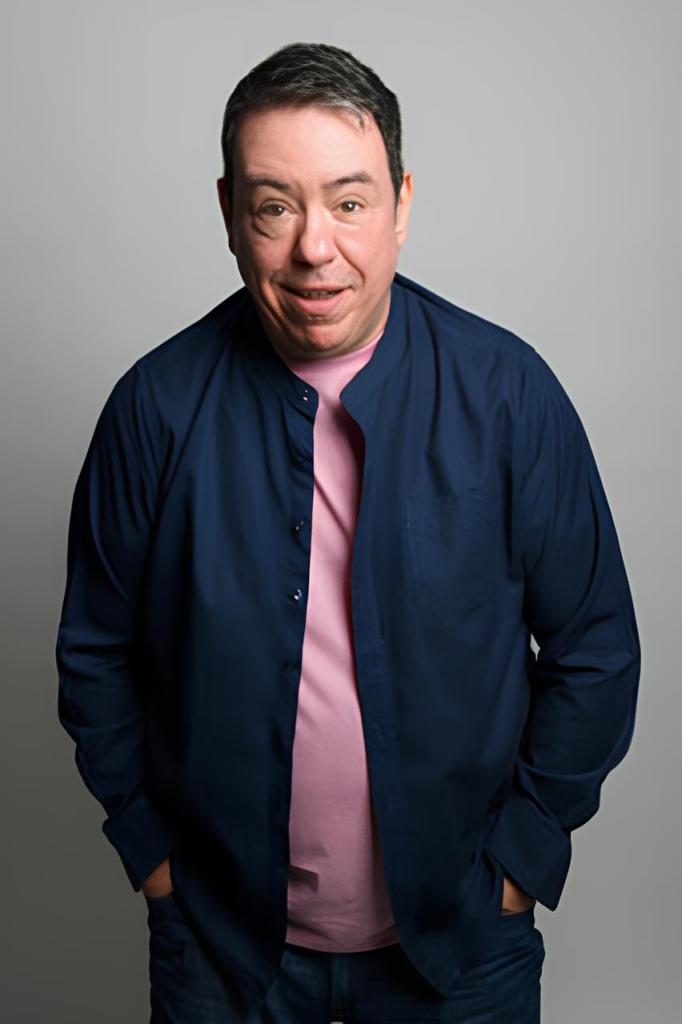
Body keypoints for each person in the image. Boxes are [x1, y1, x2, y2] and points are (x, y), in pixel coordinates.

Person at [55, 41, 641, 1023]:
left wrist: (522, 860)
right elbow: (93, 653)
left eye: (350, 201)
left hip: (462, 943)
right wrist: (152, 858)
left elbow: (596, 645)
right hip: (219, 946)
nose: (314, 247)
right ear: (230, 215)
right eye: (274, 206)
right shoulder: (154, 407)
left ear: (401, 204)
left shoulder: (509, 394)